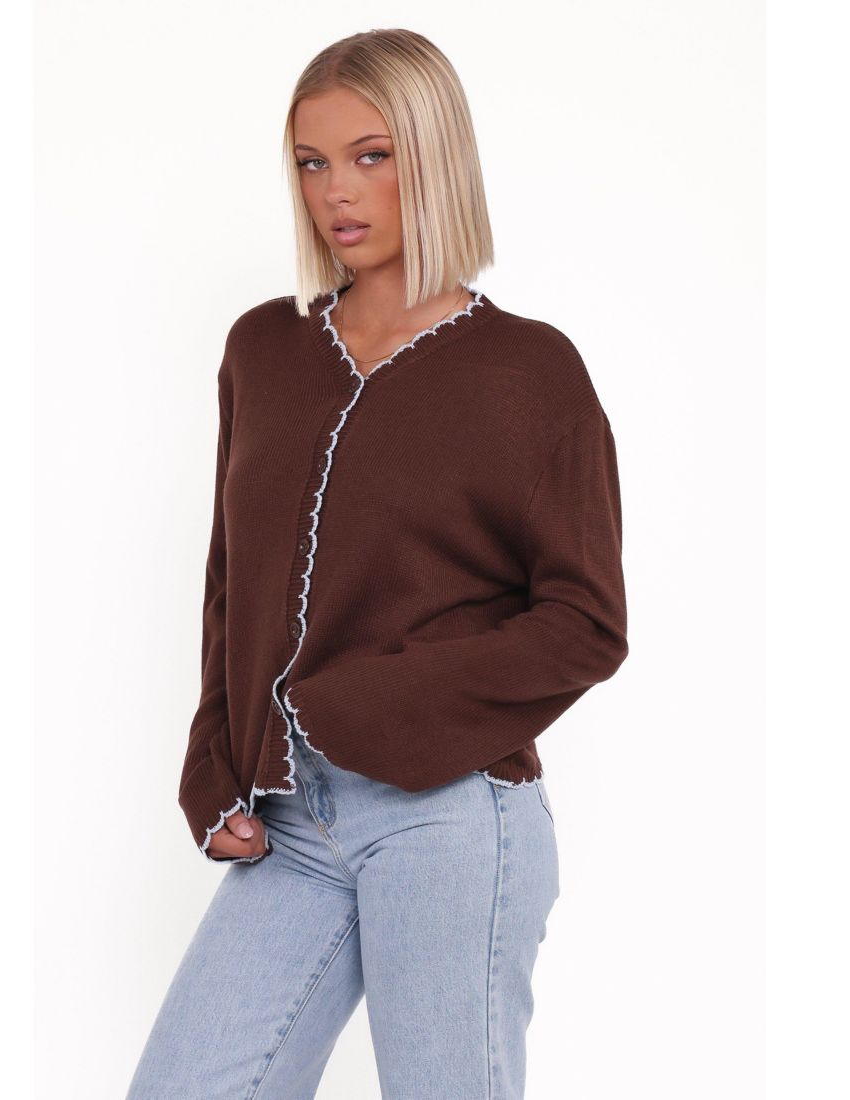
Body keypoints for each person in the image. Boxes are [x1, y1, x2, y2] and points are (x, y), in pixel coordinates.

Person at [126, 27, 628, 1100]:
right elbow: (230, 579)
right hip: (292, 820)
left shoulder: (528, 371)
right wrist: (213, 763)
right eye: (312, 163)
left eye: (371, 155)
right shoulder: (262, 349)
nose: (336, 192)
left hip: (452, 814)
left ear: (433, 157)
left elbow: (585, 621)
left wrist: (370, 700)